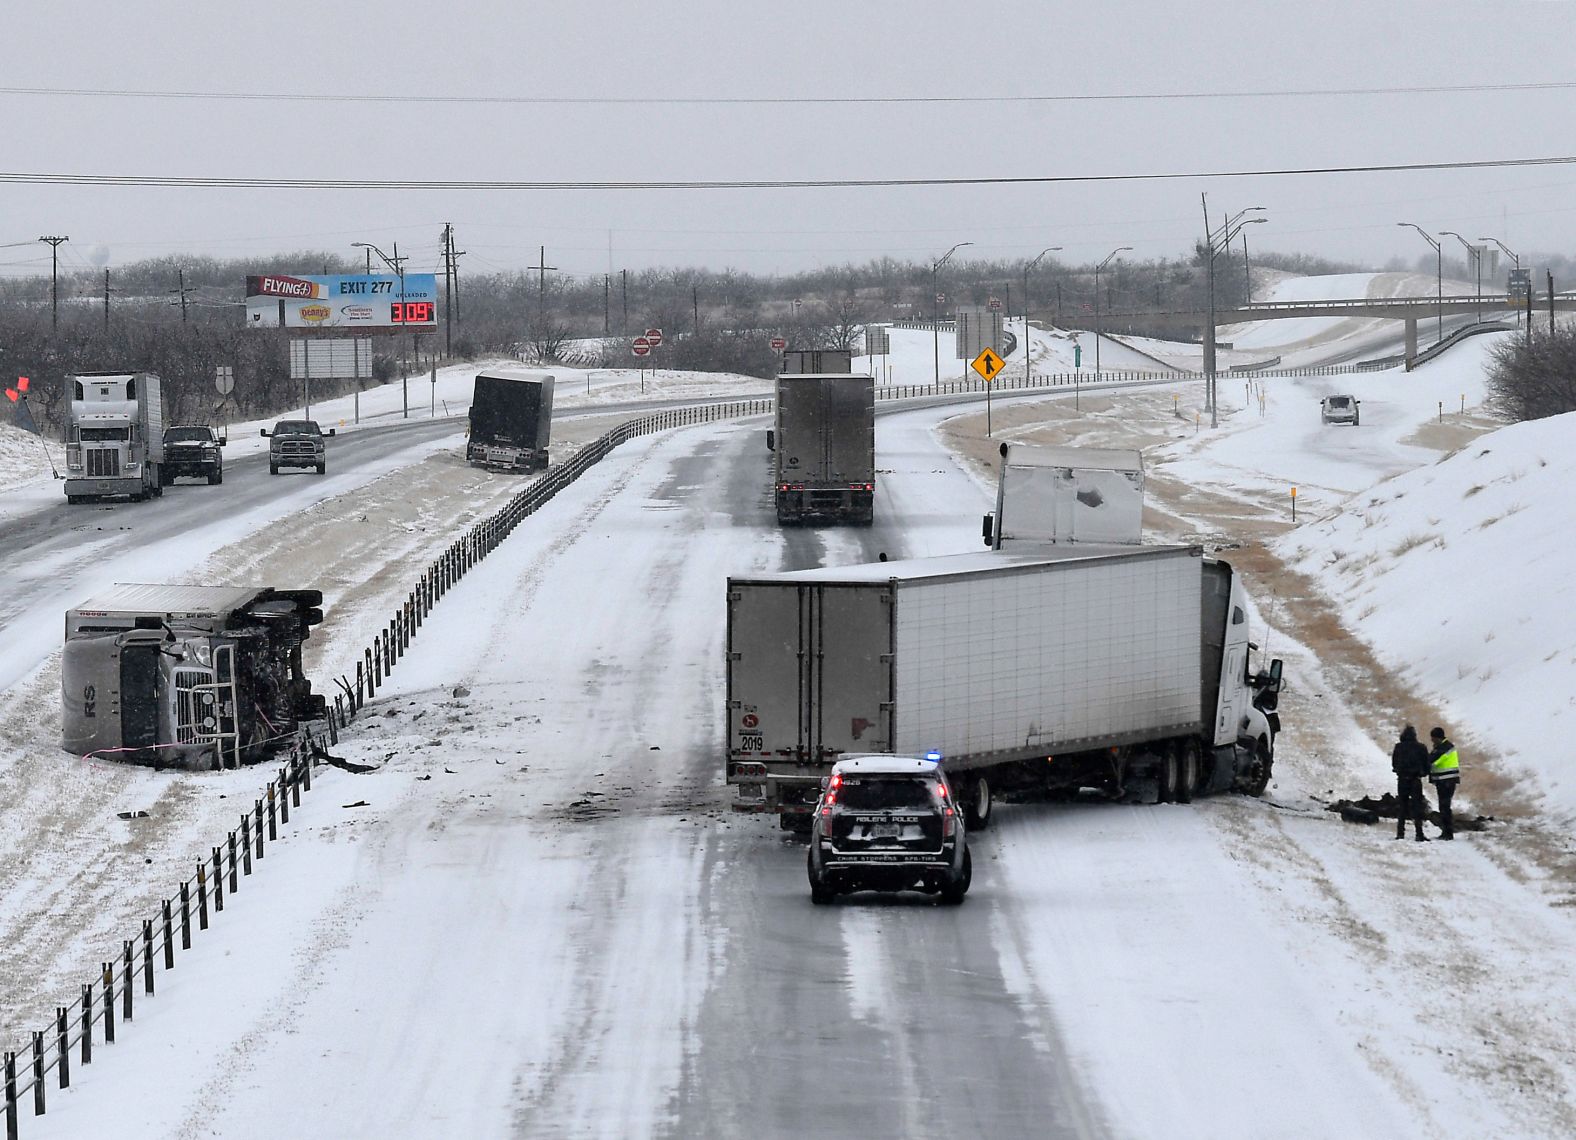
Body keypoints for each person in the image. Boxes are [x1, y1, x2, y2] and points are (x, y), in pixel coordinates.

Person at [1390, 724, 1431, 841]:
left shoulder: (1398, 747)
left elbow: (1394, 763)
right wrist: (1422, 773)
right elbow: (1427, 765)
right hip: (1415, 780)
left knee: (1402, 806)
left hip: (1402, 779)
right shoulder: (1421, 747)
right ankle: (1419, 833)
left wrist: (1399, 771)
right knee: (1417, 807)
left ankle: (1400, 833)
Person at [1428, 727, 1461, 840]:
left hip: (1446, 780)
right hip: (1445, 780)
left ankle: (1447, 832)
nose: (1432, 740)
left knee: (1445, 806)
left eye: (1433, 738)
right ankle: (1446, 832)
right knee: (1444, 806)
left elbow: (1433, 761)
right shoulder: (1443, 746)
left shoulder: (1444, 748)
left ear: (1437, 737)